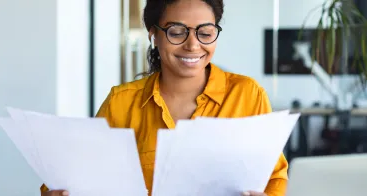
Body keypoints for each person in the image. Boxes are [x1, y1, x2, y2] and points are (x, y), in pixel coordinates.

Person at [41, 0, 289, 195]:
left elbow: (274, 177)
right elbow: (80, 175)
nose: (193, 45)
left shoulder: (247, 94)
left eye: (205, 32)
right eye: (177, 31)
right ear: (154, 35)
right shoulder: (121, 102)